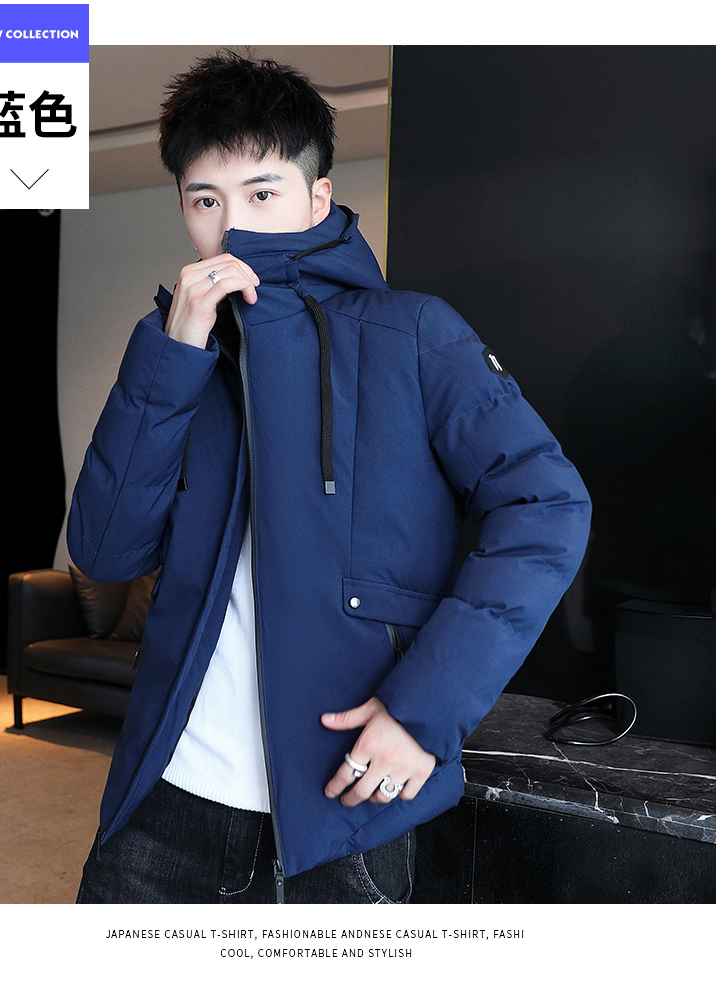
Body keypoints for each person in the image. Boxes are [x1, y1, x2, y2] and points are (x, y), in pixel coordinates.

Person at [69, 51, 591, 904]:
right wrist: (171, 356)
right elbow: (105, 550)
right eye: (206, 201)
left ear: (317, 198)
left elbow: (547, 504)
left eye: (261, 194)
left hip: (342, 812)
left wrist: (427, 708)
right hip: (164, 798)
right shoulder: (177, 351)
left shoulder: (413, 332)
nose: (231, 228)